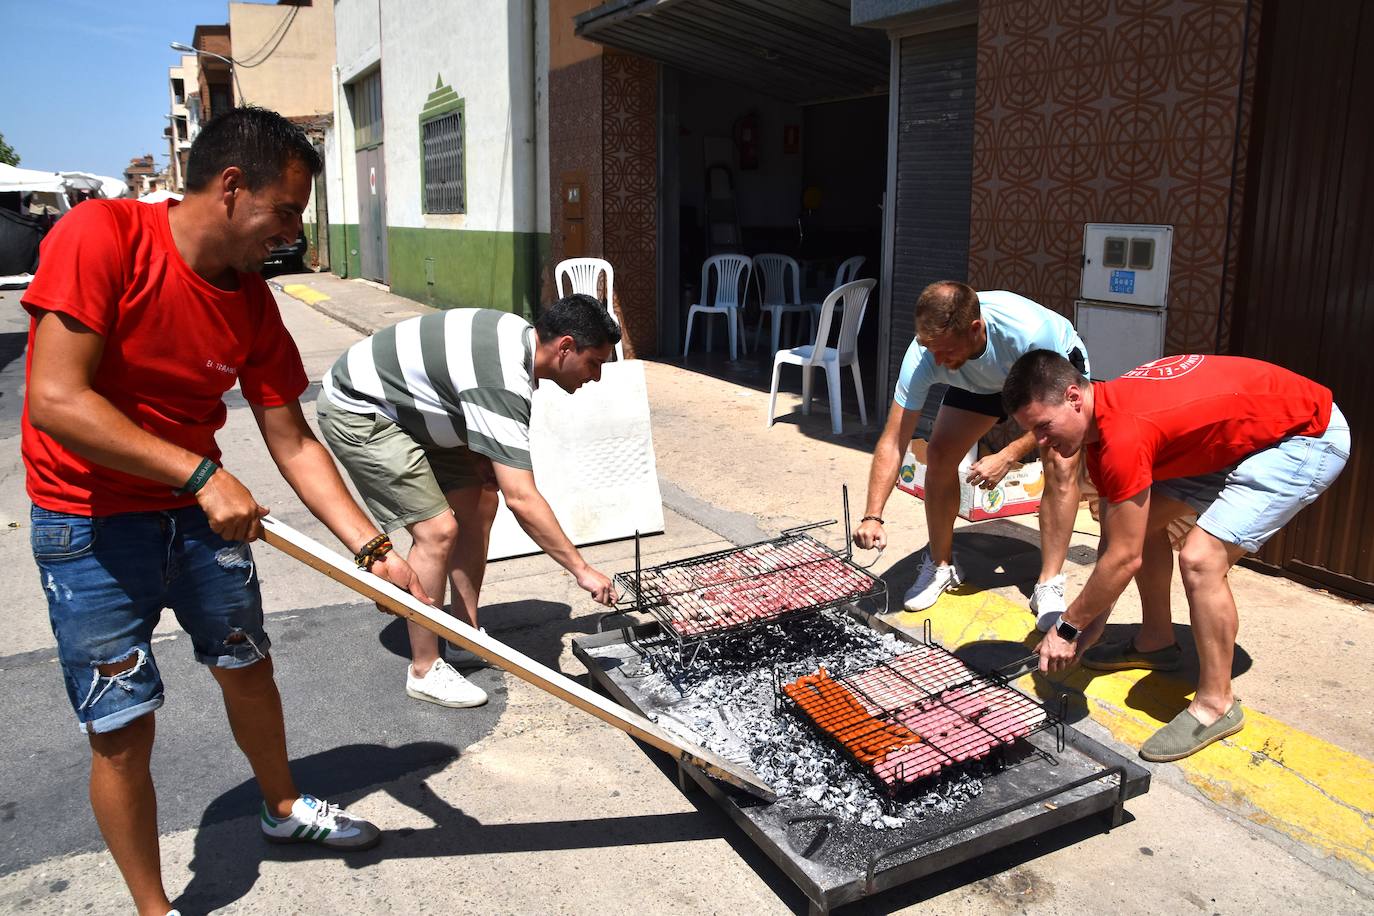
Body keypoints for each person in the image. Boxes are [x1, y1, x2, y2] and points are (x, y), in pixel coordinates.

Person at [22, 107, 431, 916]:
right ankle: (154, 908)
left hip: (196, 518)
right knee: (122, 721)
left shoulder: (249, 302)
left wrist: (374, 549)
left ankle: (282, 811)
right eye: (284, 213)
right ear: (232, 188)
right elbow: (56, 399)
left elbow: (294, 438)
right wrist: (201, 473)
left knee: (247, 664)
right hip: (89, 522)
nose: (289, 236)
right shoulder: (101, 237)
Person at [1003, 351, 1349, 761]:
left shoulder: (1124, 435)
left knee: (1201, 559)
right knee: (1138, 526)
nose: (1041, 443)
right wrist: (1090, 625)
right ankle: (1156, 642)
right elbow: (1119, 544)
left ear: (1074, 397)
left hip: (1304, 435)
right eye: (1032, 432)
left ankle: (1216, 704)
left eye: (1044, 427)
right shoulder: (1099, 426)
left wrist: (1067, 628)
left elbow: (1123, 559)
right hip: (1239, 436)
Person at [316, 294, 621, 709]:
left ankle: (463, 631)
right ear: (565, 346)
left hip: (420, 409)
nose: (597, 377)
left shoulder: (518, 345)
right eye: (595, 363)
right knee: (436, 531)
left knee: (480, 502)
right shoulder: (502, 381)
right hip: (364, 409)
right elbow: (523, 498)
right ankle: (424, 670)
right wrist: (581, 570)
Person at [853, 281, 1090, 628]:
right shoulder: (928, 353)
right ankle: (941, 566)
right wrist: (873, 515)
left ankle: (1049, 582)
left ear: (975, 329)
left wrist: (1008, 454)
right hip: (979, 380)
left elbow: (1060, 418)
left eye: (943, 350)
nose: (934, 360)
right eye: (927, 347)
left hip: (1041, 372)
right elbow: (894, 440)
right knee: (940, 453)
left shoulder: (1030, 333)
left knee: (1059, 460)